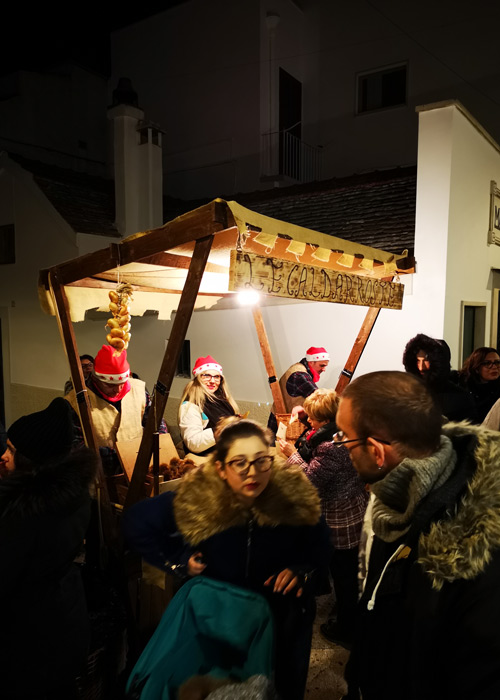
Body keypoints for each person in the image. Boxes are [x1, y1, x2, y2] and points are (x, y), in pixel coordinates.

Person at [122, 418, 331, 700]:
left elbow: (321, 547)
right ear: (220, 467)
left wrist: (304, 571)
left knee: (278, 689)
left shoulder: (293, 497)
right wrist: (179, 560)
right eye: (239, 462)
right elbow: (137, 522)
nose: (252, 472)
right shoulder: (201, 496)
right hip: (218, 622)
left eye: (261, 460)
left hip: (281, 621)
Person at [334, 370, 500, 700]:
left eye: (344, 438)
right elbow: (374, 601)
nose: (341, 446)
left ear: (376, 451)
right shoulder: (391, 501)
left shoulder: (475, 552)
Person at [0, 398, 98, 699]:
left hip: (30, 639)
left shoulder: (26, 515)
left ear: (32, 462)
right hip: (64, 621)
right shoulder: (72, 496)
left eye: (11, 450)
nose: (3, 456)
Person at [278, 388, 368, 649]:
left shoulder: (331, 446)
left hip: (341, 518)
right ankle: (343, 607)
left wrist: (291, 455)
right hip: (352, 506)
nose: (309, 421)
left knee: (344, 574)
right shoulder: (344, 431)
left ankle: (346, 627)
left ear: (327, 419)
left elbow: (309, 482)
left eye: (313, 418)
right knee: (345, 570)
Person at [66, 344, 167, 475]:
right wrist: (120, 455)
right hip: (99, 476)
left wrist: (159, 444)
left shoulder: (138, 391)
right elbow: (76, 447)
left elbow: (156, 423)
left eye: (121, 384)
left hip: (140, 471)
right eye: (110, 385)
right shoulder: (76, 403)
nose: (118, 390)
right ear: (95, 378)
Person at [402, 333, 477, 422]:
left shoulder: (461, 398)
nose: (421, 367)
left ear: (439, 362)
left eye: (426, 360)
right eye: (418, 361)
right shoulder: (405, 394)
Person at [178, 355, 239, 456]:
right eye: (206, 376)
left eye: (216, 377)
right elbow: (193, 443)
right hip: (206, 461)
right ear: (198, 378)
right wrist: (220, 430)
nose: (212, 381)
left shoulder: (224, 400)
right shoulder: (190, 405)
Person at [268, 346, 330, 434]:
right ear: (311, 362)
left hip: (281, 422)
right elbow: (320, 400)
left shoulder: (298, 367)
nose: (324, 369)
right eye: (322, 365)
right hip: (284, 425)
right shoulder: (299, 375)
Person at [458, 346, 500, 422]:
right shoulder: (463, 385)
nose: (494, 367)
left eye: (497, 362)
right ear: (477, 367)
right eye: (487, 363)